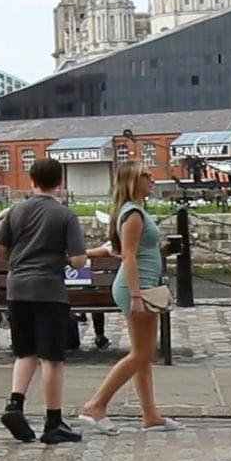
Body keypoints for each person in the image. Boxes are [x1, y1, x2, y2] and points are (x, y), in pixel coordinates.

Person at [78, 162, 183, 433]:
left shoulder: (136, 211)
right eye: (145, 176)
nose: (152, 179)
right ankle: (96, 405)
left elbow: (122, 249)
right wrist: (136, 296)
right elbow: (129, 256)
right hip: (136, 287)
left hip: (144, 284)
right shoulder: (133, 213)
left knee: (143, 355)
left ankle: (151, 415)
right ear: (132, 182)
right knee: (142, 353)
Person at [0, 157, 89, 444]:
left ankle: (15, 405)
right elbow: (79, 260)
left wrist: (20, 262)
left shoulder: (16, 211)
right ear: (60, 182)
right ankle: (53, 421)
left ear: (32, 181)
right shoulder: (65, 216)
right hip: (49, 291)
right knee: (52, 358)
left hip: (17, 288)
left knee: (25, 353)